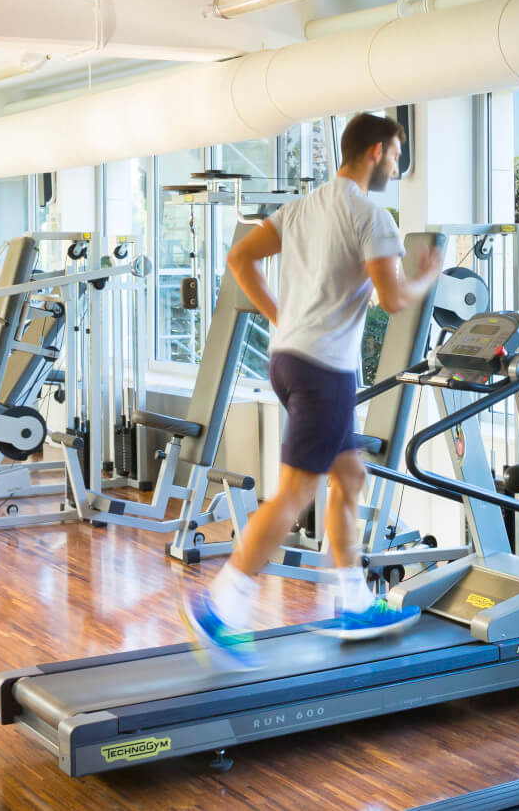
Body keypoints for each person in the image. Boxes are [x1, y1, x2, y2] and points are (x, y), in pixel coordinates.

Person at [184, 113, 444, 667]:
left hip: (288, 360)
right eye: (396, 154)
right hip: (325, 371)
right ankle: (221, 608)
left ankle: (353, 603)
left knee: (350, 477)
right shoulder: (372, 217)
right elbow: (395, 300)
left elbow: (240, 257)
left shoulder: (302, 206)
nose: (396, 164)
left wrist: (280, 314)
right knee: (296, 493)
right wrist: (429, 275)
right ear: (376, 151)